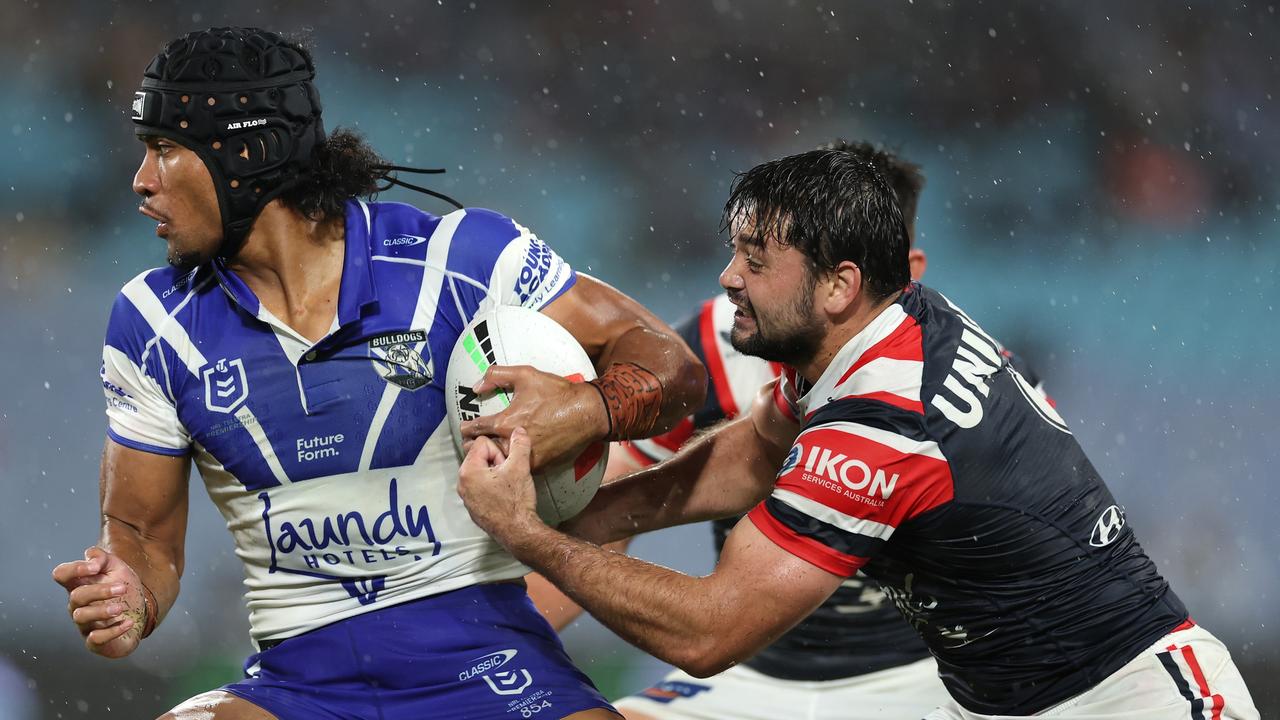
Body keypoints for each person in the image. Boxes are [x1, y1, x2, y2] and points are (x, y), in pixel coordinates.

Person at [458, 147, 1261, 719]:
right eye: (735, 251)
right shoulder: (889, 324)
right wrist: (596, 520)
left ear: (840, 284)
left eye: (756, 260)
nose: (729, 277)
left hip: (1125, 701)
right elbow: (749, 456)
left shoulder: (883, 421)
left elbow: (708, 633)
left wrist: (529, 533)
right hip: (1005, 702)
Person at [50, 27, 704, 720]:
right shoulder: (152, 320)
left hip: (491, 667)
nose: (141, 181)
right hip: (294, 689)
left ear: (245, 152)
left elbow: (670, 366)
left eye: (164, 150)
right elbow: (143, 540)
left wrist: (586, 411)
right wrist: (127, 593)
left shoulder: (461, 259)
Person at [526, 141, 964, 719]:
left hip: (919, 678)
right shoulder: (711, 351)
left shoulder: (947, 382)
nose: (734, 281)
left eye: (756, 264)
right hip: (753, 679)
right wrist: (487, 645)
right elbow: (610, 509)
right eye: (751, 261)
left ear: (879, 276)